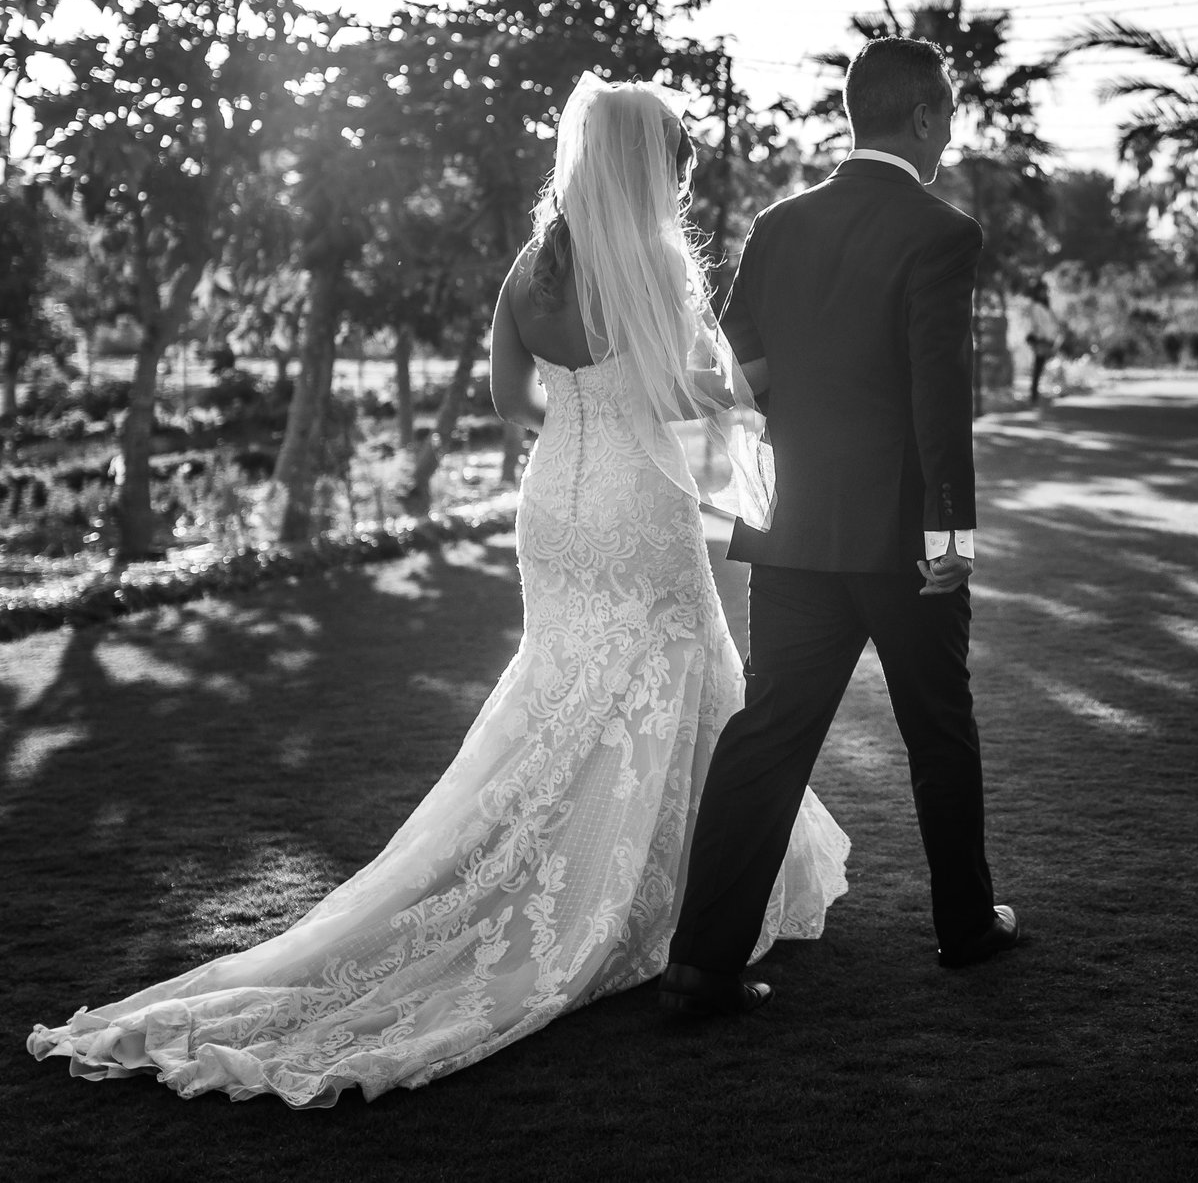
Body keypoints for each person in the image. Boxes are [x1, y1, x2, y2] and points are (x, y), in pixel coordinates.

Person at [27, 77, 847, 1107]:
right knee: (671, 675)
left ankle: (592, 869)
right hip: (638, 506)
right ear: (646, 165)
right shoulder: (657, 263)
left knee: (563, 687)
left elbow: (512, 401)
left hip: (555, 501)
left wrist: (583, 396)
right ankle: (677, 898)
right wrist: (756, 381)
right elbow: (685, 394)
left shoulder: (531, 267)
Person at [659, 36, 1019, 1021]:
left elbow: (741, 380)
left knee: (769, 732)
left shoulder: (778, 227)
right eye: (946, 118)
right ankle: (965, 927)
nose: (948, 135)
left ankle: (700, 962)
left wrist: (758, 487)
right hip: (902, 542)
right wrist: (950, 542)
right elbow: (939, 406)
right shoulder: (940, 234)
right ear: (922, 119)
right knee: (938, 730)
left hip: (793, 531)